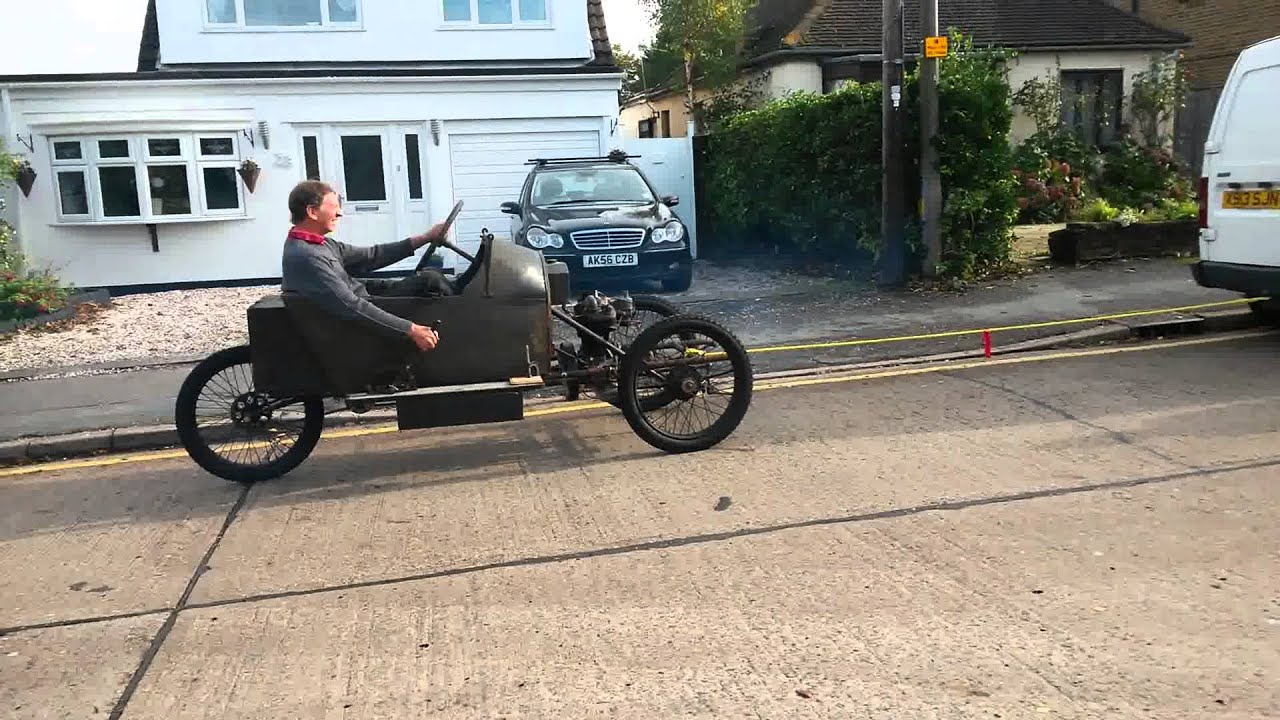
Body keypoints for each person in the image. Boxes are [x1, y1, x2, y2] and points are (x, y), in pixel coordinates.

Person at [280, 180, 453, 353]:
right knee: (429, 281)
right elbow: (351, 305)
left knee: (429, 278)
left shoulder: (318, 245)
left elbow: (371, 256)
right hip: (359, 327)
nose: (339, 213)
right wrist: (411, 330)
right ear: (312, 212)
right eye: (334, 207)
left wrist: (425, 237)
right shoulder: (308, 256)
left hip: (365, 304)